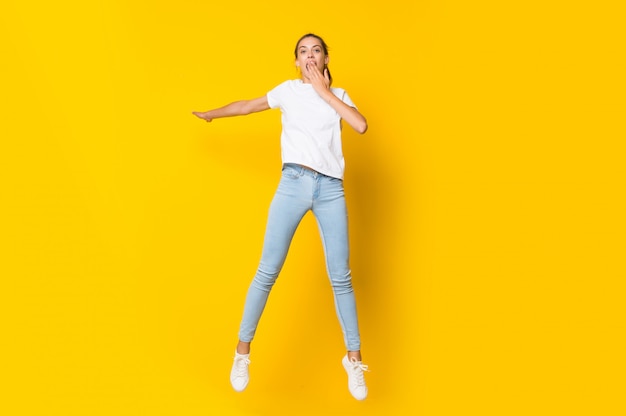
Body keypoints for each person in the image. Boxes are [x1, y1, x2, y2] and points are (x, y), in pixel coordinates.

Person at [192, 33, 369, 400]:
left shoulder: (339, 96)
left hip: (330, 188)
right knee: (267, 270)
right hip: (294, 182)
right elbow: (246, 106)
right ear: (295, 61)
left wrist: (324, 92)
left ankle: (354, 360)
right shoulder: (288, 91)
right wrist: (213, 114)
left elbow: (361, 125)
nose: (309, 56)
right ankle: (242, 352)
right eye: (302, 52)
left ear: (324, 59)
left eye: (315, 51)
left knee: (341, 276)